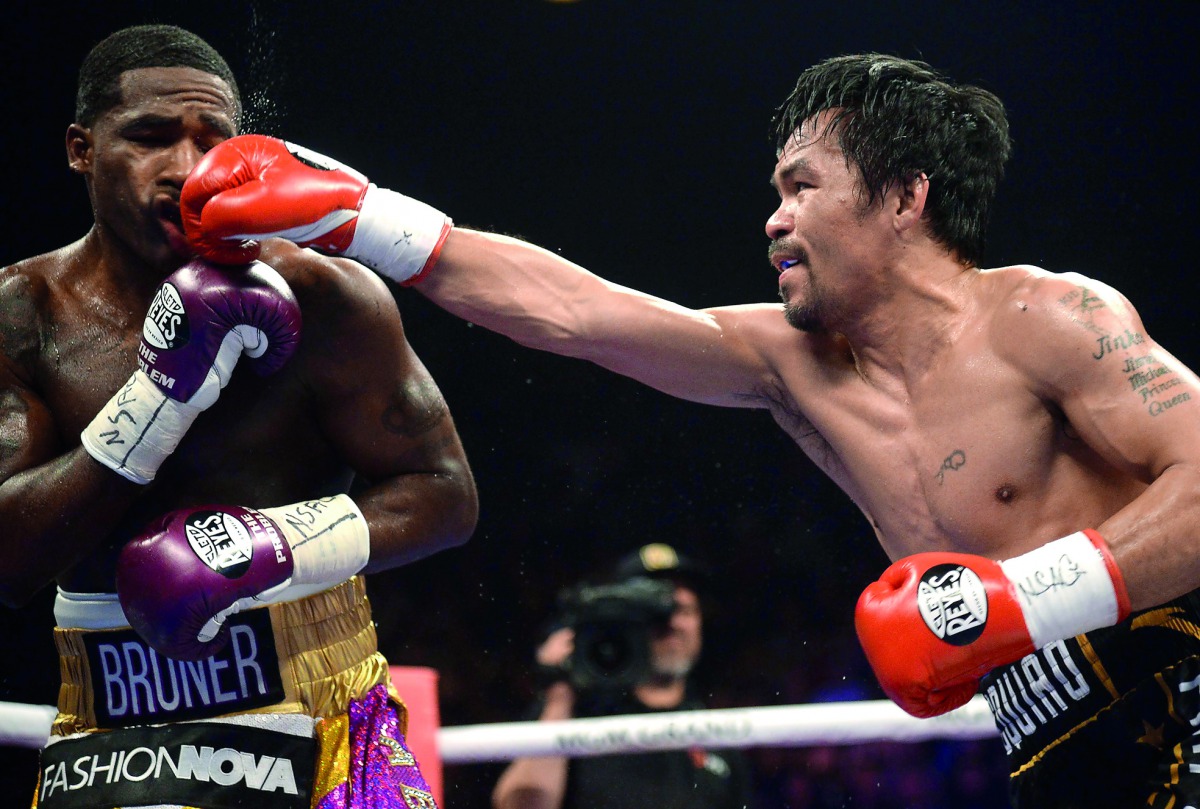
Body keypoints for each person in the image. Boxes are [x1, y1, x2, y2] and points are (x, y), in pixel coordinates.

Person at [181, 53, 1200, 807]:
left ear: (905, 197)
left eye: (802, 186)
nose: (773, 217)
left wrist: (1022, 599)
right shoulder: (789, 361)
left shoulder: (1046, 316)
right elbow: (574, 312)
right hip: (1052, 746)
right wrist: (359, 219)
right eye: (775, 193)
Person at [0, 24, 477, 808]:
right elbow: (11, 559)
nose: (185, 170)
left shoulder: (326, 297)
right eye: (150, 138)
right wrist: (158, 396)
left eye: (211, 141)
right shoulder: (24, 314)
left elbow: (446, 493)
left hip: (324, 714)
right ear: (82, 149)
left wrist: (273, 545)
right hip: (110, 731)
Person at [491, 543, 754, 809]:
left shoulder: (716, 734)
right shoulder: (575, 713)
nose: (672, 623)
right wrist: (560, 698)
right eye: (658, 612)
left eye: (684, 610)